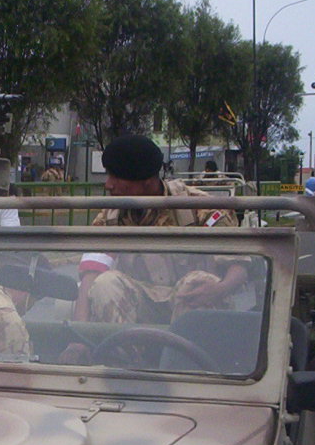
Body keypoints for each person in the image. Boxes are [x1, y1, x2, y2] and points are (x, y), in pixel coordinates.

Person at [75, 134, 246, 324]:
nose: (108, 185)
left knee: (198, 281)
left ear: (146, 181)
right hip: (139, 308)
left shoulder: (197, 205)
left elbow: (239, 264)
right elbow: (90, 279)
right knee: (105, 284)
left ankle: (182, 354)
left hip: (193, 306)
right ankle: (120, 354)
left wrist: (221, 289)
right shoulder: (110, 217)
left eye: (117, 176)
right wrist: (77, 339)